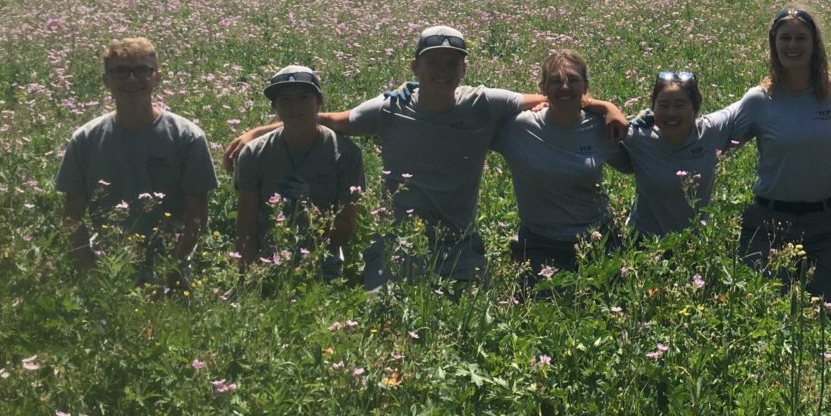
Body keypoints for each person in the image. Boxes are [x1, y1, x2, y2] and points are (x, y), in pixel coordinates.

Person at [222, 25, 626, 288]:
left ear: (464, 67)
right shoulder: (389, 108)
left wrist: (604, 105)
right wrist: (259, 130)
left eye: (452, 63)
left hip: (460, 245)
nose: (442, 71)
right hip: (399, 244)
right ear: (416, 66)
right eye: (433, 62)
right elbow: (327, 119)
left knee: (474, 327)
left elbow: (557, 98)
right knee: (382, 325)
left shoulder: (484, 104)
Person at [56, 37, 218, 283]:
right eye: (120, 72)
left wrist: (169, 273)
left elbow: (197, 218)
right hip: (107, 264)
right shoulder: (85, 140)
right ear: (106, 80)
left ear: (157, 77)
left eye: (142, 70)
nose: (132, 79)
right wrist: (90, 271)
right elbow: (71, 216)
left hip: (170, 263)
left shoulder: (188, 137)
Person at [729, 8, 831, 301]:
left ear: (815, 44)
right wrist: (659, 123)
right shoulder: (760, 99)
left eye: (801, 38)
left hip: (824, 220)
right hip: (768, 222)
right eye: (785, 38)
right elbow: (717, 135)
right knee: (767, 311)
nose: (793, 45)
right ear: (773, 44)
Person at [492, 49, 621, 280]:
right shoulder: (518, 128)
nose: (564, 87)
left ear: (585, 85)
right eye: (555, 81)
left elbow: (635, 163)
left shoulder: (601, 127)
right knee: (550, 302)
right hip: (541, 242)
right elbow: (471, 119)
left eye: (572, 80)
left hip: (596, 237)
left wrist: (607, 107)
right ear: (542, 88)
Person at [233, 65, 363, 278]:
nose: (295, 108)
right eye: (285, 100)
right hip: (268, 264)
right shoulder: (254, 154)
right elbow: (245, 228)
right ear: (274, 107)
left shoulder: (345, 154)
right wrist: (248, 278)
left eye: (303, 97)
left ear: (319, 102)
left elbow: (344, 232)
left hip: (323, 267)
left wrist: (308, 207)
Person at [607, 70, 747, 239]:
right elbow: (583, 115)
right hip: (646, 245)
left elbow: (752, 103)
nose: (671, 113)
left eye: (680, 105)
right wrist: (608, 108)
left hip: (696, 245)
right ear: (653, 107)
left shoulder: (712, 130)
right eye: (663, 105)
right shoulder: (637, 136)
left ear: (695, 107)